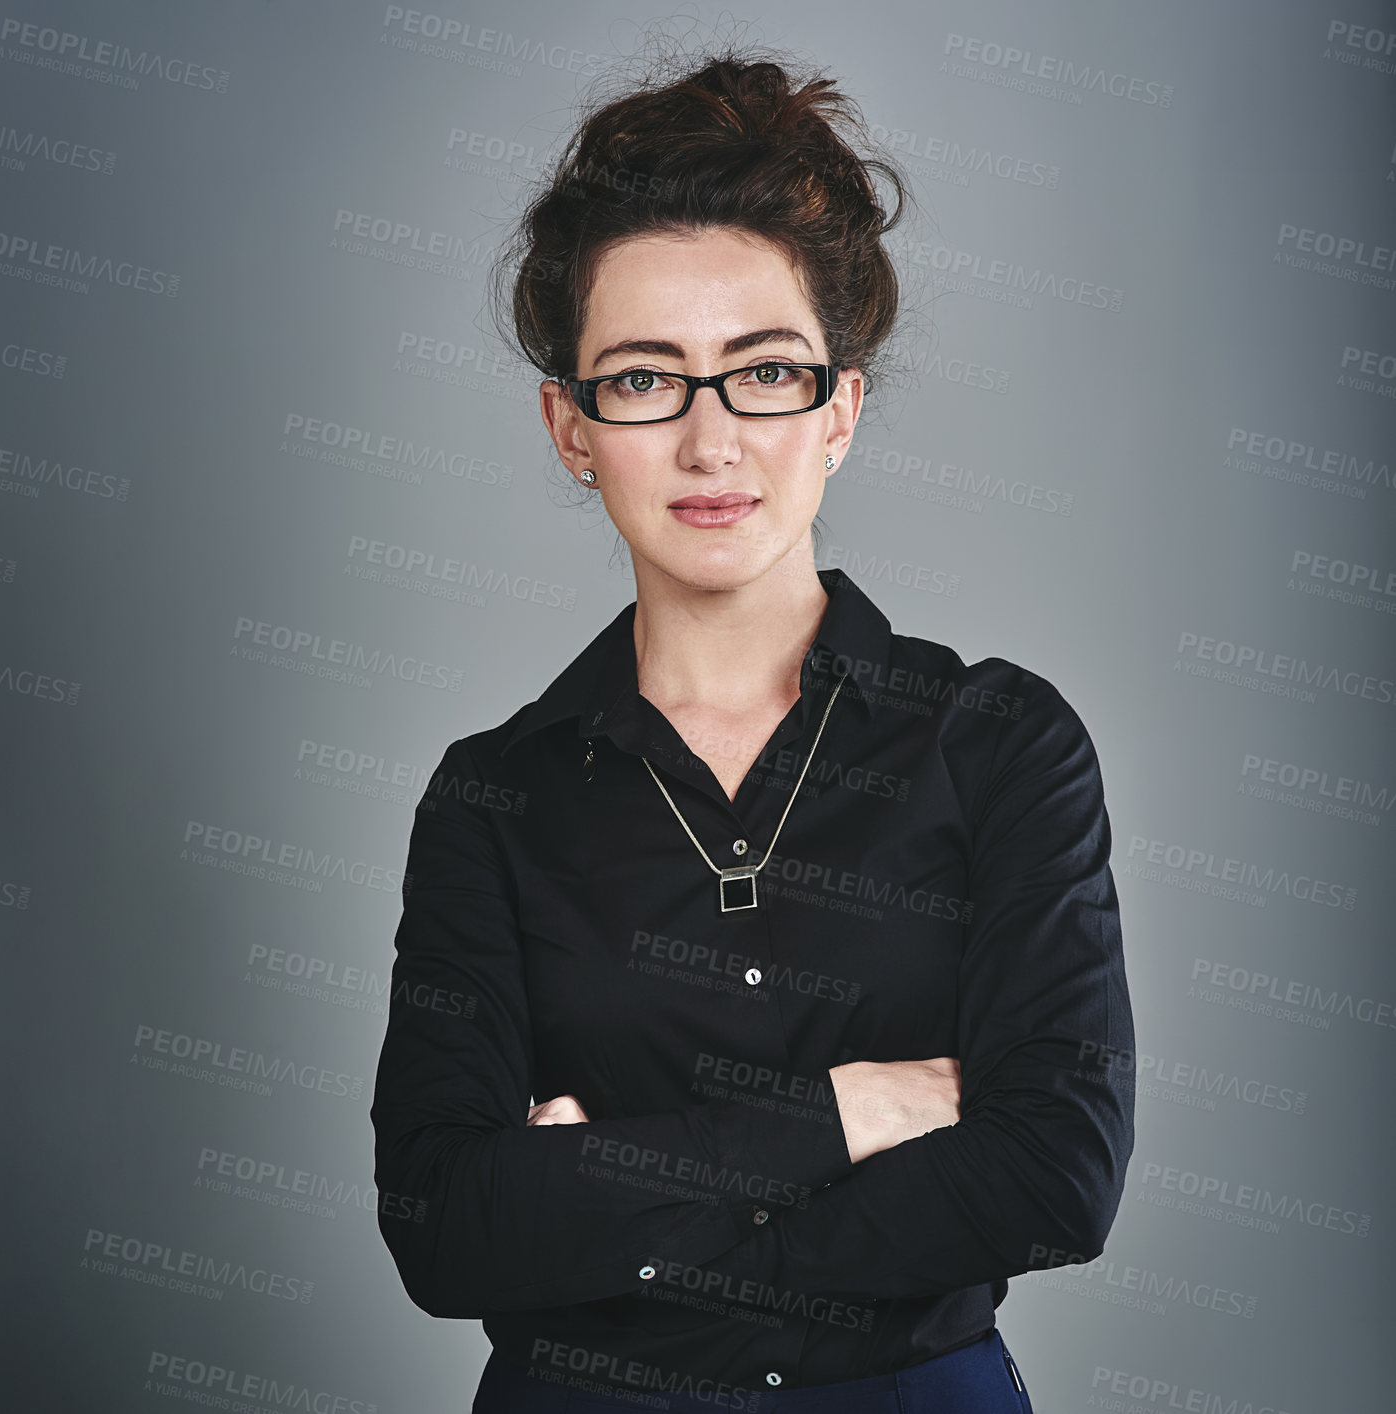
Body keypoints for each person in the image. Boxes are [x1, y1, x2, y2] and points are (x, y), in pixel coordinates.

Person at [370, 46, 1135, 1414]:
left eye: (764, 372)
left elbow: (1053, 1175)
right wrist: (854, 1113)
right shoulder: (492, 796)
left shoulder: (1002, 742)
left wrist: (610, 1192)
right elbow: (448, 1223)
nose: (711, 440)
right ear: (570, 424)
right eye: (645, 379)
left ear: (840, 406)